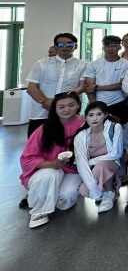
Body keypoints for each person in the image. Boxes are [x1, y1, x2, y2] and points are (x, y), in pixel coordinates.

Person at [19, 91, 84, 228]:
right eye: (61, 107)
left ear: (78, 105)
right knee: (52, 173)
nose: (66, 109)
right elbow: (27, 157)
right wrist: (51, 164)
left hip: (73, 171)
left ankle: (50, 195)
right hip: (46, 171)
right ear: (54, 109)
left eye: (71, 105)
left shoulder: (85, 123)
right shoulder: (44, 129)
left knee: (66, 198)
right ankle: (39, 211)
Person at [25, 32, 87, 136]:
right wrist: (46, 101)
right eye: (61, 44)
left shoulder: (82, 65)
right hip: (41, 112)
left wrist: (61, 102)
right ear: (55, 46)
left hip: (69, 113)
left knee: (68, 142)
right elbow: (31, 88)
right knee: (37, 142)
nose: (65, 47)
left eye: (69, 44)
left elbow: (81, 86)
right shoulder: (41, 64)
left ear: (75, 46)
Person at [73, 101, 124, 214]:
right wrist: (92, 186)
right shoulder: (81, 136)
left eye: (99, 114)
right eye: (91, 115)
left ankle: (109, 193)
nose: (94, 118)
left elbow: (117, 153)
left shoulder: (114, 127)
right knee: (84, 190)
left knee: (102, 166)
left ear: (105, 115)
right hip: (92, 168)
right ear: (85, 117)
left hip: (114, 165)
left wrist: (91, 161)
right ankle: (102, 190)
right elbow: (81, 162)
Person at [83, 35, 128, 122]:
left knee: (118, 127)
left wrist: (97, 87)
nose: (110, 49)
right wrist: (94, 105)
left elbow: (121, 85)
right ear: (103, 47)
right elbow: (89, 88)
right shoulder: (93, 64)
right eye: (107, 45)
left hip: (118, 102)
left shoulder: (127, 64)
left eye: (114, 45)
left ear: (120, 47)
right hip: (97, 102)